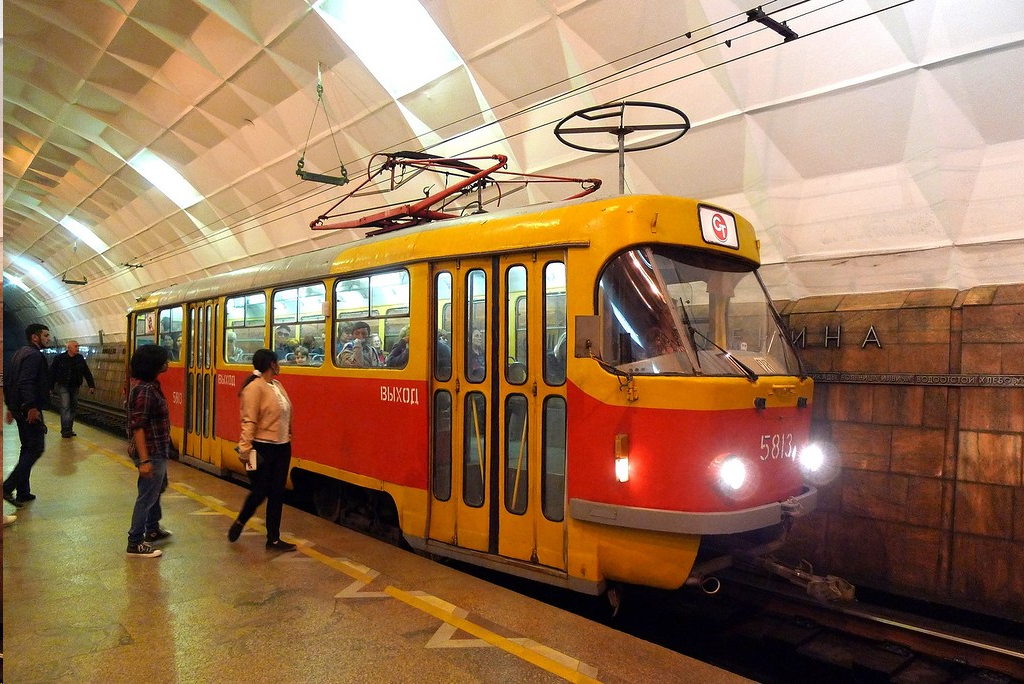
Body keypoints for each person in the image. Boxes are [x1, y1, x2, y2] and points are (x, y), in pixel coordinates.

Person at [228, 349, 296, 552]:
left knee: (277, 493)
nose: (280, 364)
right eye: (277, 362)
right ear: (271, 364)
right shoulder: (254, 388)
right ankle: (240, 522)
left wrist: (288, 434)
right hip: (261, 448)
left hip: (282, 447)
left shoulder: (277, 385)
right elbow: (249, 420)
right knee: (259, 492)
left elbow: (285, 413)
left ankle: (273, 539)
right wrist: (245, 449)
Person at [125, 344, 173, 558]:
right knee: (147, 495)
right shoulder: (145, 390)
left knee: (158, 488)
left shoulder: (150, 385)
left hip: (157, 449)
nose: (168, 363)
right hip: (151, 452)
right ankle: (135, 542)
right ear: (153, 365)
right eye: (164, 360)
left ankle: (152, 528)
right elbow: (138, 426)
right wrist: (145, 460)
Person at [3, 323, 52, 508]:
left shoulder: (18, 353)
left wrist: (10, 406)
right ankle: (7, 487)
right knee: (35, 448)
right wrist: (32, 407)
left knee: (27, 448)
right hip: (28, 410)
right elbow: (25, 382)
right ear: (35, 337)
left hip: (18, 407)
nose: (48, 338)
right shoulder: (34, 355)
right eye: (45, 335)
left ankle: (23, 492)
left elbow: (8, 380)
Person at [50, 339, 96, 438]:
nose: (78, 348)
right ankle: (65, 430)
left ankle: (69, 429)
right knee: (66, 407)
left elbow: (86, 372)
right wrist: (50, 386)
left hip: (75, 386)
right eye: (76, 346)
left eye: (78, 346)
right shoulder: (60, 358)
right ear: (69, 348)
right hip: (63, 386)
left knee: (73, 408)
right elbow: (52, 372)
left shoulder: (79, 358)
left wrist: (91, 385)